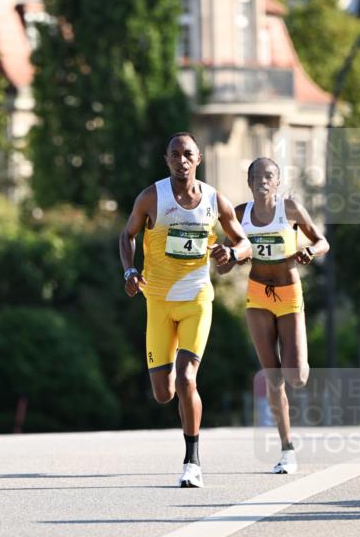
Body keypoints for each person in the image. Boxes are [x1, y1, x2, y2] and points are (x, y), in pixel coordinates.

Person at [120, 132, 251, 487]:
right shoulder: (152, 197)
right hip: (158, 302)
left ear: (198, 159)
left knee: (187, 378)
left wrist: (231, 253)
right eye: (175, 154)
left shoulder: (214, 200)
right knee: (164, 393)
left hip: (196, 299)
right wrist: (130, 271)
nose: (182, 160)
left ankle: (192, 462)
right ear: (167, 160)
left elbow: (243, 242)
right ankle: (175, 377)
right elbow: (127, 235)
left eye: (188, 154)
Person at [218, 156, 329, 474]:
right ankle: (287, 449)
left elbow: (322, 241)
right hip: (257, 295)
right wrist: (230, 256)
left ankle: (300, 362)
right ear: (249, 182)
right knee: (273, 376)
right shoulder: (240, 214)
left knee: (296, 377)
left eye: (269, 176)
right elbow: (224, 266)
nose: (263, 180)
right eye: (257, 176)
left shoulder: (290, 209)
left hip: (289, 294)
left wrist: (310, 251)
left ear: (277, 182)